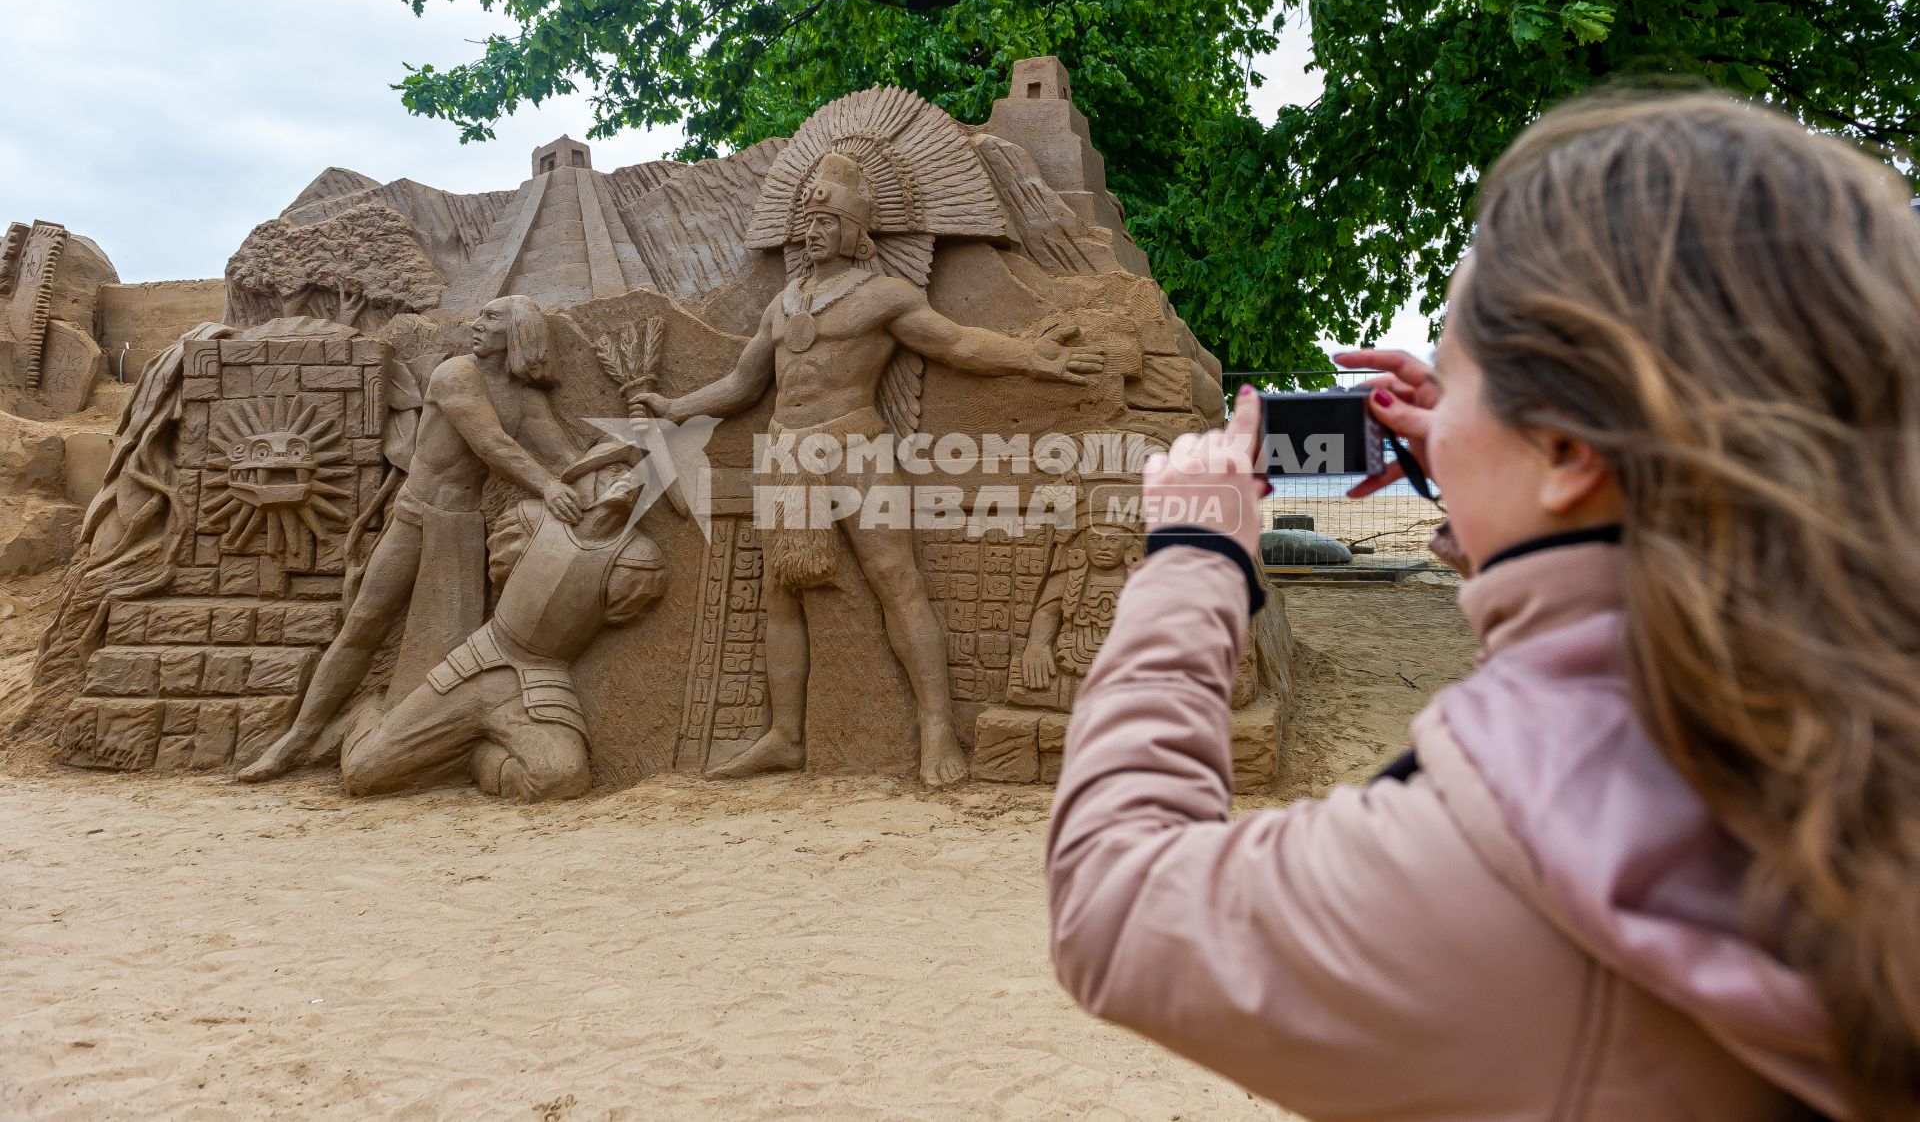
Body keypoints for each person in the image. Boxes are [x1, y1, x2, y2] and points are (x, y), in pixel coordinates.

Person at [1047, 94, 1920, 1120]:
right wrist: (1504, 494)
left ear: (1571, 447)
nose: (1434, 418)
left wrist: (1195, 554)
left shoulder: (1524, 859)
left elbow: (1116, 901)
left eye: (1456, 380)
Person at [638, 152, 1104, 788]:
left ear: (857, 228)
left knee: (896, 578)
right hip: (788, 450)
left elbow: (957, 343)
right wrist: (673, 408)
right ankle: (785, 736)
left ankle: (937, 727)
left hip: (855, 445)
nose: (812, 229)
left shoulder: (885, 295)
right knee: (782, 588)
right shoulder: (784, 302)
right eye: (807, 218)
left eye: (826, 218)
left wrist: (1035, 358)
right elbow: (744, 384)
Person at [238, 296, 583, 783]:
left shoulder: (525, 398)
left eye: (491, 318)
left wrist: (617, 464)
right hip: (416, 515)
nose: (476, 324)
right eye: (478, 314)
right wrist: (548, 485)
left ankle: (428, 736)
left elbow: (564, 454)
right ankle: (297, 738)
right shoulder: (457, 374)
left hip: (462, 526)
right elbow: (490, 443)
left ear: (521, 332)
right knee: (365, 622)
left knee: (452, 643)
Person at [339, 466, 666, 803]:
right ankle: (366, 709)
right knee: (363, 770)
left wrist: (489, 765)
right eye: (610, 470)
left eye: (633, 475)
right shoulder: (530, 521)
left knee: (561, 778)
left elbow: (621, 612)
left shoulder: (637, 561)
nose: (624, 479)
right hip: (478, 664)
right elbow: (501, 573)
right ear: (579, 480)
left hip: (542, 683)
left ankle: (477, 758)